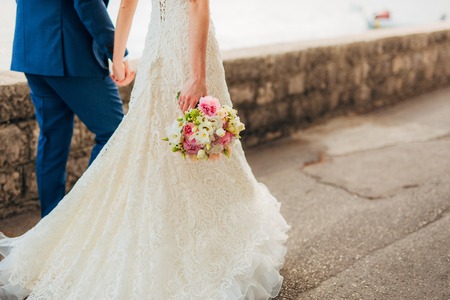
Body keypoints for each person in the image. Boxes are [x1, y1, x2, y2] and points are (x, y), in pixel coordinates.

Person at [0, 0, 290, 299]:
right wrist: (198, 77)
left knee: (75, 141)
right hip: (176, 53)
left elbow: (127, 5)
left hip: (141, 53)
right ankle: (93, 219)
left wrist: (116, 57)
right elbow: (196, 6)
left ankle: (65, 223)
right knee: (129, 139)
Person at [10, 0, 135, 217]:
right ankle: (80, 218)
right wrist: (115, 51)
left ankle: (50, 226)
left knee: (52, 141)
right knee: (115, 134)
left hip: (31, 46)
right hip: (70, 49)